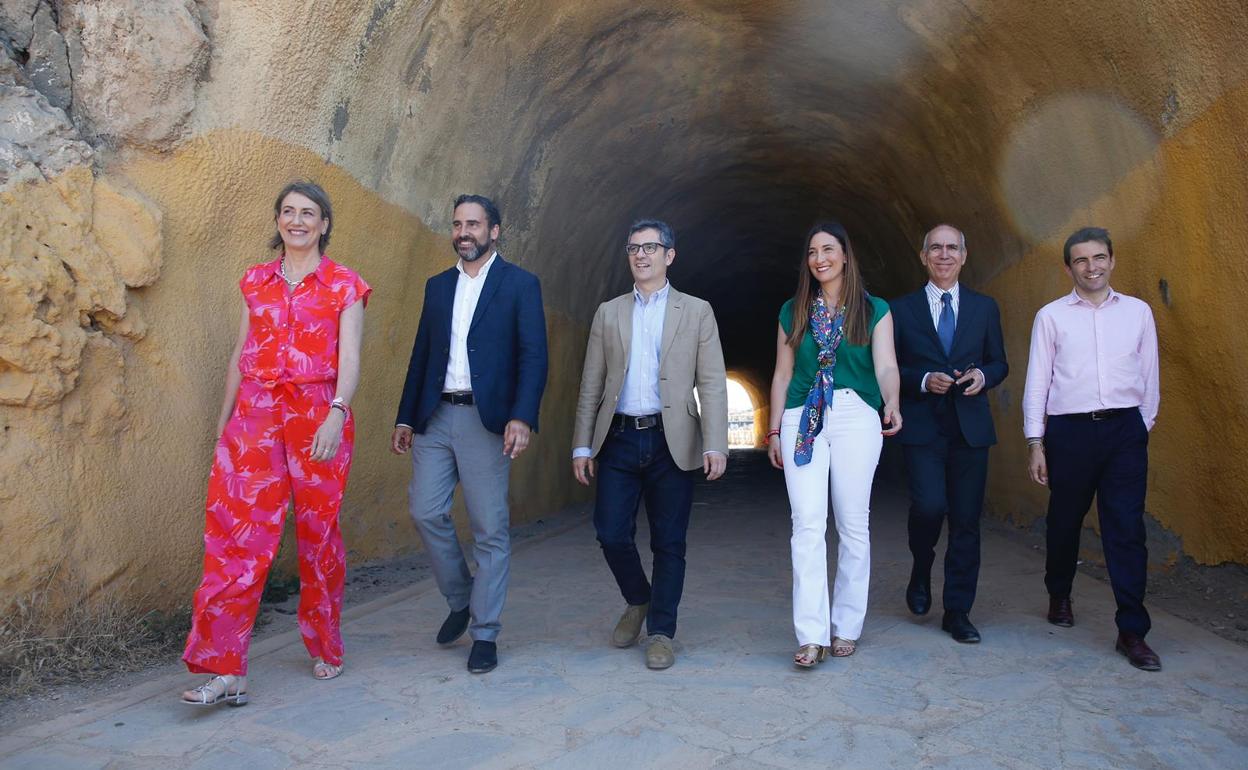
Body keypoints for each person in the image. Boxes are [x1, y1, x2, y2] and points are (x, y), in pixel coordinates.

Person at [181, 181, 370, 706]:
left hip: (317, 416)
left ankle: (324, 641)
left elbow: (350, 360)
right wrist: (224, 425)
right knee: (235, 538)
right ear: (279, 221)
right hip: (255, 418)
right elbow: (239, 355)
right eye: (288, 212)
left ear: (324, 224)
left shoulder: (345, 285)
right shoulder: (255, 281)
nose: (297, 220)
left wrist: (337, 412)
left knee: (318, 534)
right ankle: (226, 670)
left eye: (308, 213)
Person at [391, 194, 548, 674]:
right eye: (458, 223)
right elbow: (422, 353)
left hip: (487, 421)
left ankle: (484, 632)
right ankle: (461, 598)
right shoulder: (437, 287)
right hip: (437, 415)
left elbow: (534, 355)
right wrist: (405, 416)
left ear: (494, 231)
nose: (464, 232)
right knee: (425, 510)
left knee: (489, 528)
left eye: (474, 224)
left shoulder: (520, 284)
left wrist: (521, 417)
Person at [571, 219, 728, 670]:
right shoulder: (609, 312)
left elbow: (712, 381)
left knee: (669, 541)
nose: (641, 255)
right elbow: (591, 383)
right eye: (634, 248)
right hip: (618, 436)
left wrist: (715, 443)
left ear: (669, 255)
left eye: (651, 248)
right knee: (610, 531)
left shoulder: (696, 311)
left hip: (672, 440)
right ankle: (638, 598)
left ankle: (661, 631)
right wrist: (582, 445)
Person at [1023, 227, 1161, 671]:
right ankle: (1059, 592)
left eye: (1099, 257)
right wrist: (1035, 441)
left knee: (1126, 529)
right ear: (1069, 268)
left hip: (1124, 429)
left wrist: (1141, 425)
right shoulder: (1051, 316)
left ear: (1112, 260)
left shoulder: (1138, 313)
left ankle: (1132, 631)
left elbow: (1149, 374)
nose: (1092, 267)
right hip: (1070, 431)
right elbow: (1038, 380)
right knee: (1065, 520)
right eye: (1081, 260)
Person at [767, 221, 902, 668]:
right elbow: (783, 373)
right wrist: (772, 429)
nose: (819, 258)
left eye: (828, 250)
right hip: (801, 415)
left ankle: (846, 625)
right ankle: (811, 634)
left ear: (845, 255)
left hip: (853, 414)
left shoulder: (874, 308)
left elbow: (885, 365)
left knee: (852, 524)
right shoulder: (793, 310)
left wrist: (893, 401)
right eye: (811, 252)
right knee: (806, 524)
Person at [890, 224, 1008, 644]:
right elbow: (888, 369)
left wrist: (982, 374)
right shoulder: (899, 310)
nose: (944, 255)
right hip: (922, 427)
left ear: (964, 255)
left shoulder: (984, 307)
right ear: (923, 256)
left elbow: (999, 362)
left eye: (952, 248)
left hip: (970, 428)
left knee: (965, 521)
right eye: (935, 248)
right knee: (928, 507)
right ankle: (921, 566)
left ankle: (957, 611)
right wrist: (922, 380)